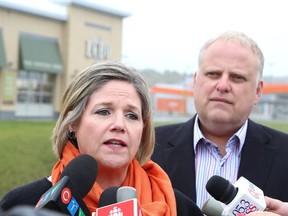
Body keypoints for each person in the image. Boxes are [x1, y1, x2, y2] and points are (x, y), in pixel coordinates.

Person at [0, 61, 181, 215]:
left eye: (131, 115)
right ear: (73, 122)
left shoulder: (173, 202)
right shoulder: (24, 204)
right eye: (104, 111)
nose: (119, 125)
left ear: (143, 128)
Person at [151, 31, 288, 215]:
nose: (222, 85)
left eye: (237, 77)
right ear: (195, 81)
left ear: (257, 91)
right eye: (213, 74)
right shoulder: (148, 147)